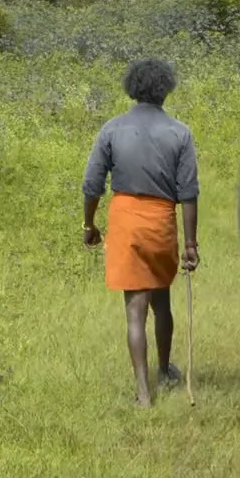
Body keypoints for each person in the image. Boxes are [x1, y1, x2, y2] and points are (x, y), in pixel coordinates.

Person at [82, 58, 200, 406]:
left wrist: (89, 225)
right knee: (161, 302)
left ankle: (143, 394)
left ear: (132, 88)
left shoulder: (112, 129)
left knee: (135, 311)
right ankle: (164, 370)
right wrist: (190, 244)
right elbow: (188, 193)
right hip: (161, 221)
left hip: (126, 221)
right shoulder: (179, 132)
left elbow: (92, 185)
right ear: (166, 89)